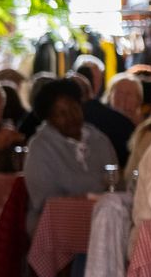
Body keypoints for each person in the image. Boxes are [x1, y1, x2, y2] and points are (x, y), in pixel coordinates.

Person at [23, 79, 117, 233]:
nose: (71, 117)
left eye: (74, 109)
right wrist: (88, 197)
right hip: (55, 224)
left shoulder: (99, 139)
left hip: (101, 217)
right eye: (61, 113)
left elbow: (114, 180)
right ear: (50, 119)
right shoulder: (39, 146)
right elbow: (45, 200)